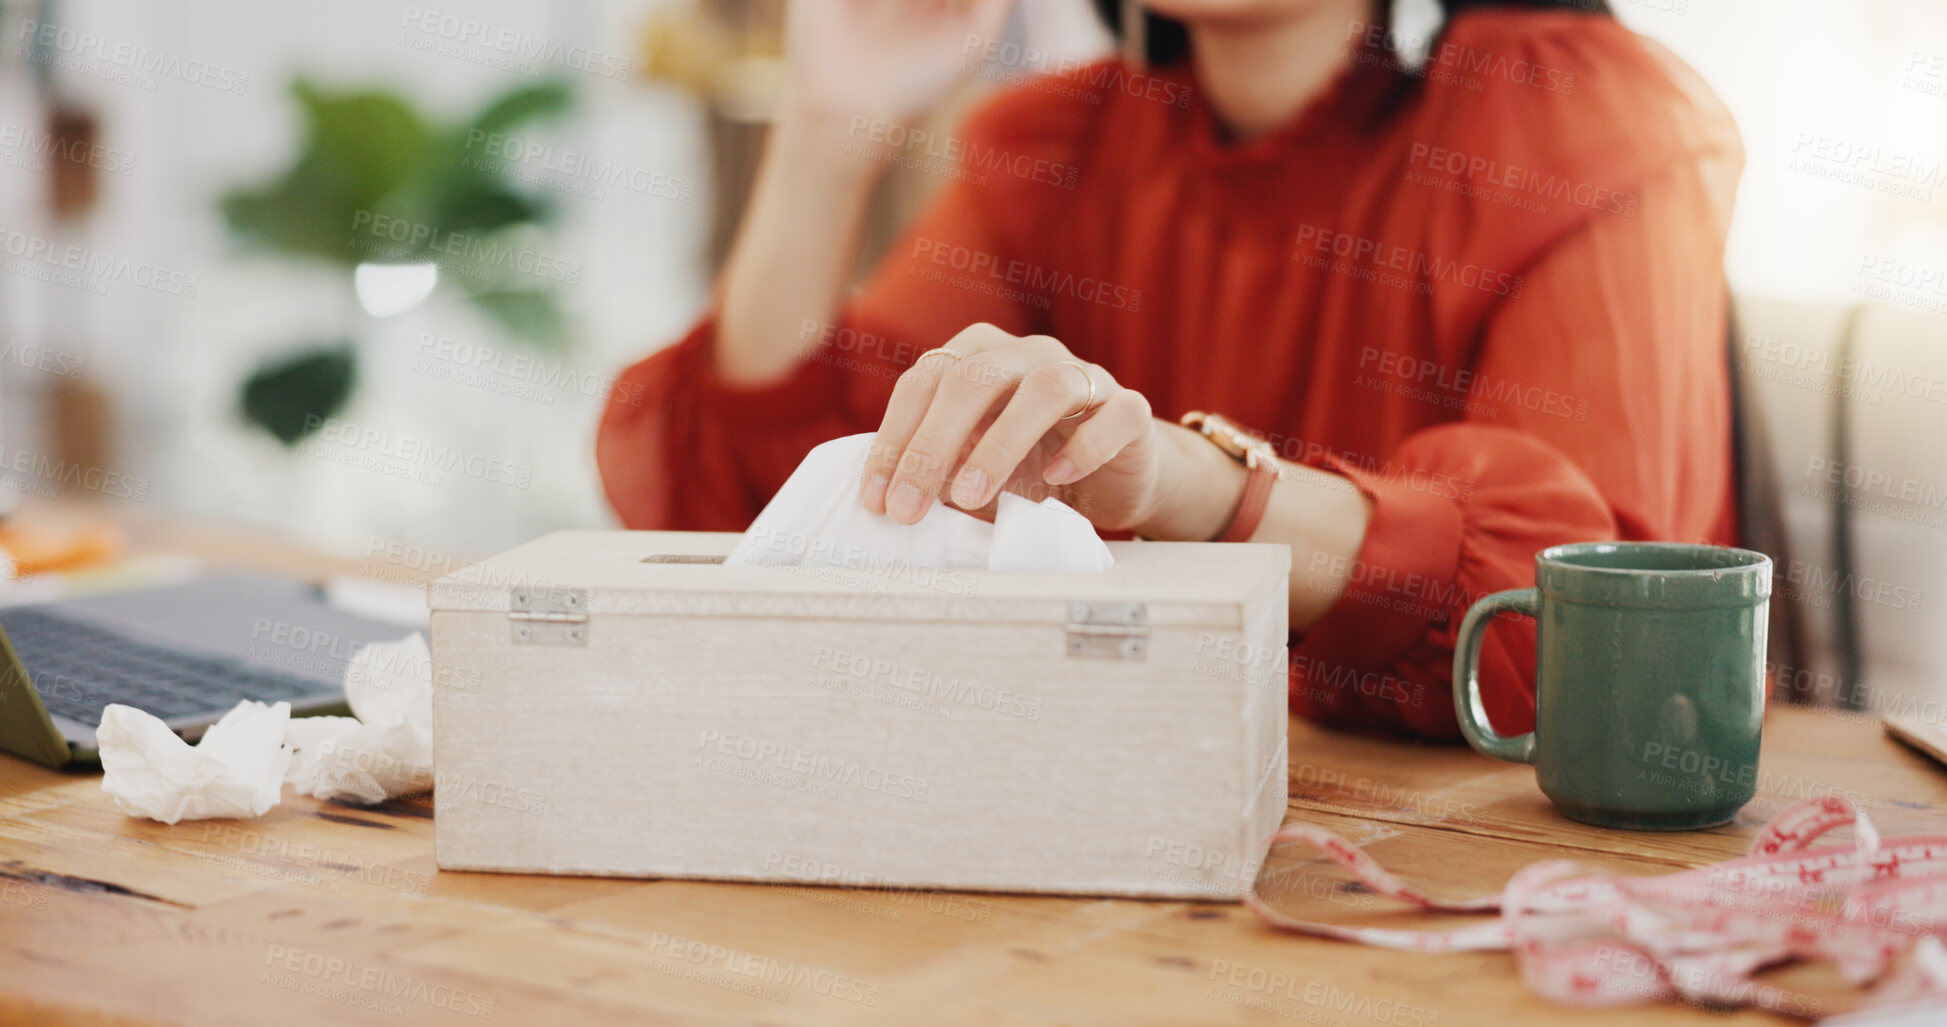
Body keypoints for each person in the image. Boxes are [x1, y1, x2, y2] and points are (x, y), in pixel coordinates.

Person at [596, 0, 1744, 739]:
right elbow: (768, 529)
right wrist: (827, 125)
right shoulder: (1057, 145)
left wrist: (1194, 483)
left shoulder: (1582, 119)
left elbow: (1600, 626)